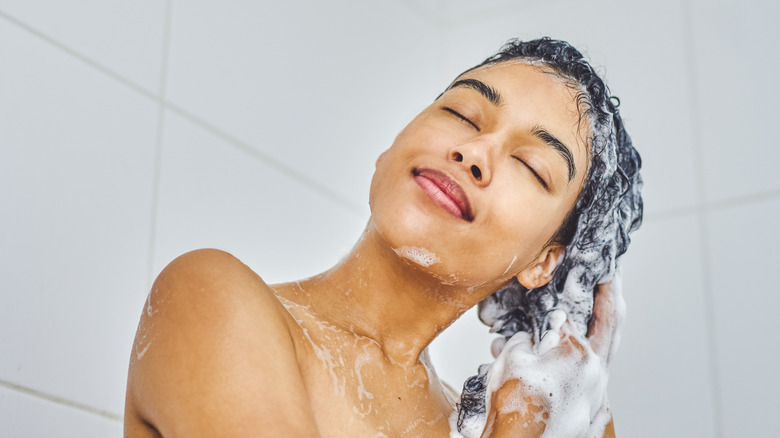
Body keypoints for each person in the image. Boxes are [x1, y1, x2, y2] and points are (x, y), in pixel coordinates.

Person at [124, 37, 642, 437]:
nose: (474, 152)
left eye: (530, 165)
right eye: (461, 114)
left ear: (543, 262)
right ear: (391, 150)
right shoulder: (210, 299)